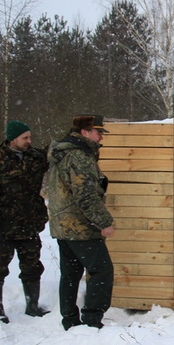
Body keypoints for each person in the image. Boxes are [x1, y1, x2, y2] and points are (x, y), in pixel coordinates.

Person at [47, 114, 115, 330]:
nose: (100, 138)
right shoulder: (79, 157)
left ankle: (69, 320)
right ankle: (92, 320)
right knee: (102, 270)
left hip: (63, 225)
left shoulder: (64, 154)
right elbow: (85, 195)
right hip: (80, 227)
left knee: (71, 274)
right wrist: (104, 222)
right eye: (98, 133)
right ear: (85, 132)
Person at [0, 121, 50, 323]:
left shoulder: (35, 158)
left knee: (32, 266)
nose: (29, 141)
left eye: (30, 137)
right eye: (25, 138)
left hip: (29, 224)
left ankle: (32, 306)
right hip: (4, 227)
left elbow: (52, 154)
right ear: (12, 139)